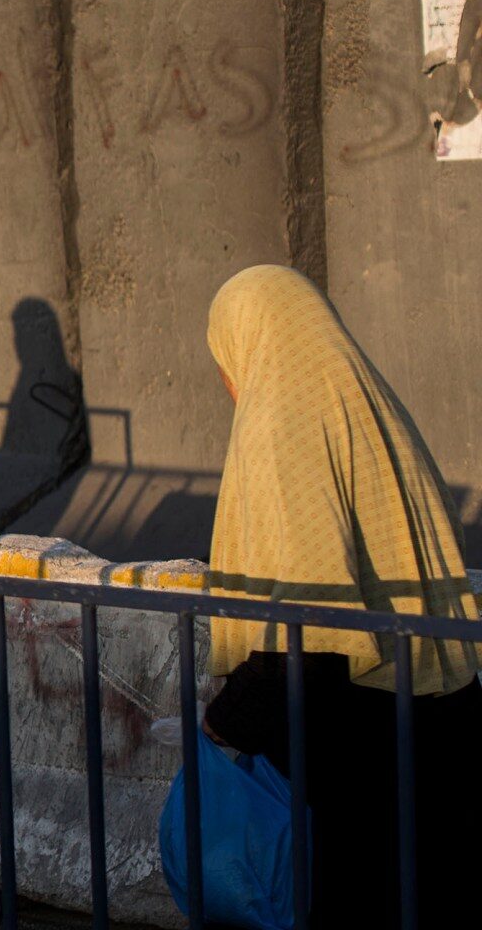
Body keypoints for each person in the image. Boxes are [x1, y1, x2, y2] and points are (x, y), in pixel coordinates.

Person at [198, 265, 482, 930]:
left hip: (363, 748)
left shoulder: (282, 422)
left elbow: (311, 624)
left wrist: (222, 726)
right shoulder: (364, 401)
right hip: (445, 721)